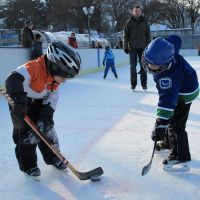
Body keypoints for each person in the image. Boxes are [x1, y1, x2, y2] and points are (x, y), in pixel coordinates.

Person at [5, 41, 81, 177]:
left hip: (40, 102)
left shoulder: (55, 79)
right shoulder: (33, 67)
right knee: (26, 136)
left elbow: (52, 97)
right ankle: (29, 166)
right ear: (54, 66)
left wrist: (46, 116)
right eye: (64, 76)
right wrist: (20, 102)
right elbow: (12, 80)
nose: (64, 81)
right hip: (21, 103)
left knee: (48, 130)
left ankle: (53, 157)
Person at [142, 36, 199, 169]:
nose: (149, 66)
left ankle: (180, 156)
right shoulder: (168, 48)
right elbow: (176, 39)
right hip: (184, 82)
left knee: (176, 125)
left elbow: (167, 101)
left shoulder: (168, 76)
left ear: (164, 64)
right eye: (148, 61)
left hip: (185, 93)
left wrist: (160, 124)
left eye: (154, 65)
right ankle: (168, 143)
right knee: (170, 119)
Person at [124, 5, 151, 90]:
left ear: (141, 12)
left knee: (143, 66)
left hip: (143, 48)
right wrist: (125, 46)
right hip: (132, 48)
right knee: (133, 67)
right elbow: (125, 36)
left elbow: (148, 35)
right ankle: (133, 84)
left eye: (138, 11)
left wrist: (148, 47)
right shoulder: (129, 22)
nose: (137, 12)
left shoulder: (145, 22)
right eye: (135, 11)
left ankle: (144, 84)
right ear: (133, 12)